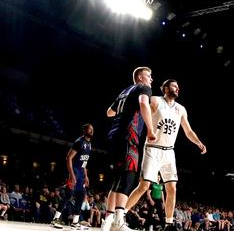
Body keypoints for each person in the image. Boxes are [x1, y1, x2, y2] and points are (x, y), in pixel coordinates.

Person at [125, 79, 207, 231]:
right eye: (174, 86)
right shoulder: (156, 100)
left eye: (178, 86)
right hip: (152, 148)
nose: (177, 88)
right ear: (165, 88)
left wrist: (199, 143)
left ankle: (168, 224)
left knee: (172, 188)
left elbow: (188, 131)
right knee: (144, 186)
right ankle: (119, 214)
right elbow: (140, 108)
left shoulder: (181, 109)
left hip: (169, 151)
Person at [102, 67, 157, 231]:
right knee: (127, 178)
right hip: (128, 136)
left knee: (117, 180)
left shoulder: (125, 91)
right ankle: (119, 222)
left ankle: (108, 221)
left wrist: (125, 109)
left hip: (113, 136)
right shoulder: (144, 88)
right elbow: (143, 103)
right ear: (140, 77)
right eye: (149, 75)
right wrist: (151, 129)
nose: (151, 79)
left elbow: (109, 113)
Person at [51, 124, 94, 230]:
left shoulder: (89, 144)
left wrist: (86, 176)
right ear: (84, 130)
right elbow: (69, 158)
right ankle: (55, 219)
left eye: (93, 129)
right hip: (74, 172)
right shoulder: (79, 141)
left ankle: (75, 222)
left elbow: (84, 162)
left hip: (81, 174)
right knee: (68, 195)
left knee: (81, 197)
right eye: (90, 129)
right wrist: (72, 174)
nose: (92, 131)